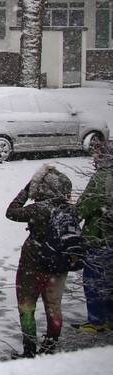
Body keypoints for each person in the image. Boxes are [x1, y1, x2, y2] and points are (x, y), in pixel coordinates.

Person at [6, 165, 76, 357]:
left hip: (32, 264)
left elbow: (11, 211)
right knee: (54, 308)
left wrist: (27, 190)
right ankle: (50, 346)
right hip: (59, 266)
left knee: (27, 307)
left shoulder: (38, 209)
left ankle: (29, 350)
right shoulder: (69, 211)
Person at [76, 139, 113, 332]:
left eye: (97, 154)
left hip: (100, 237)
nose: (94, 157)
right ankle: (110, 319)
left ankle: (97, 321)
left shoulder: (102, 178)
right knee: (109, 282)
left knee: (94, 281)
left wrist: (72, 216)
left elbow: (84, 206)